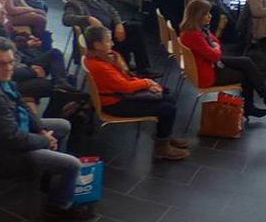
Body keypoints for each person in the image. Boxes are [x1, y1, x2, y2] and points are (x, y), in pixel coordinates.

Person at [0, 34, 93, 222]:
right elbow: (12, 139)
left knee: (64, 125)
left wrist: (40, 129)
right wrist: (46, 140)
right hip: (1, 154)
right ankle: (59, 206)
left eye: (11, 62)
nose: (8, 68)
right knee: (73, 164)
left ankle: (50, 175)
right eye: (1, 63)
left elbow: (20, 102)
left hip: (15, 133)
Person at [81, 23, 200, 163]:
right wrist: (147, 83)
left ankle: (164, 135)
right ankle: (162, 147)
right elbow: (125, 86)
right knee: (168, 108)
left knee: (167, 96)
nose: (112, 43)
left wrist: (146, 84)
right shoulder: (101, 66)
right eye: (108, 41)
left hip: (117, 95)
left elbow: (125, 78)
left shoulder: (103, 58)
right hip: (115, 103)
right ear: (97, 45)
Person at [178, 0, 266, 114]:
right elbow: (215, 55)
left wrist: (214, 45)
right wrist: (215, 47)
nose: (210, 16)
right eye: (206, 14)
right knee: (246, 75)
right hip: (207, 72)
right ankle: (255, 104)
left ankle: (264, 98)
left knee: (246, 61)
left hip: (207, 64)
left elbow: (215, 40)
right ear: (198, 16)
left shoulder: (194, 30)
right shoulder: (194, 35)